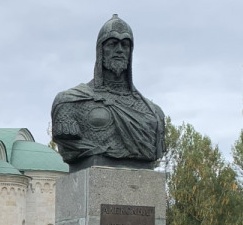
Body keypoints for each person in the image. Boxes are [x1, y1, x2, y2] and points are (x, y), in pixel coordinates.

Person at [50, 14, 167, 166]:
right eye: (112, 44)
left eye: (125, 45)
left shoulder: (153, 113)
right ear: (101, 50)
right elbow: (69, 147)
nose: (119, 50)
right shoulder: (69, 102)